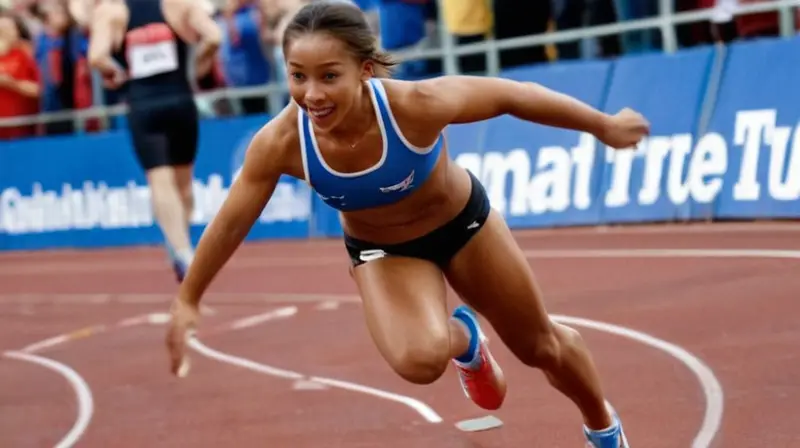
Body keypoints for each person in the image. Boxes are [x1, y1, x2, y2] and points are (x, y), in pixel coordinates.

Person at [165, 2, 649, 446]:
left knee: (539, 346)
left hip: (463, 226)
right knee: (418, 362)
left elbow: (512, 96)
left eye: (329, 76)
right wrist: (189, 298)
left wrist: (602, 125)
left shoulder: (415, 105)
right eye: (298, 76)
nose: (312, 94)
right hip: (383, 251)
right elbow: (230, 223)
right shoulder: (280, 144)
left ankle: (602, 428)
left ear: (365, 70)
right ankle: (466, 341)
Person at [83, 0, 222, 281]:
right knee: (184, 185)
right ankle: (181, 247)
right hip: (181, 99)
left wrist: (115, 73)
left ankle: (181, 251)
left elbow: (96, 56)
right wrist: (199, 65)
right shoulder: (177, 5)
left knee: (160, 179)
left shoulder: (112, 11)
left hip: (143, 104)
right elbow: (214, 36)